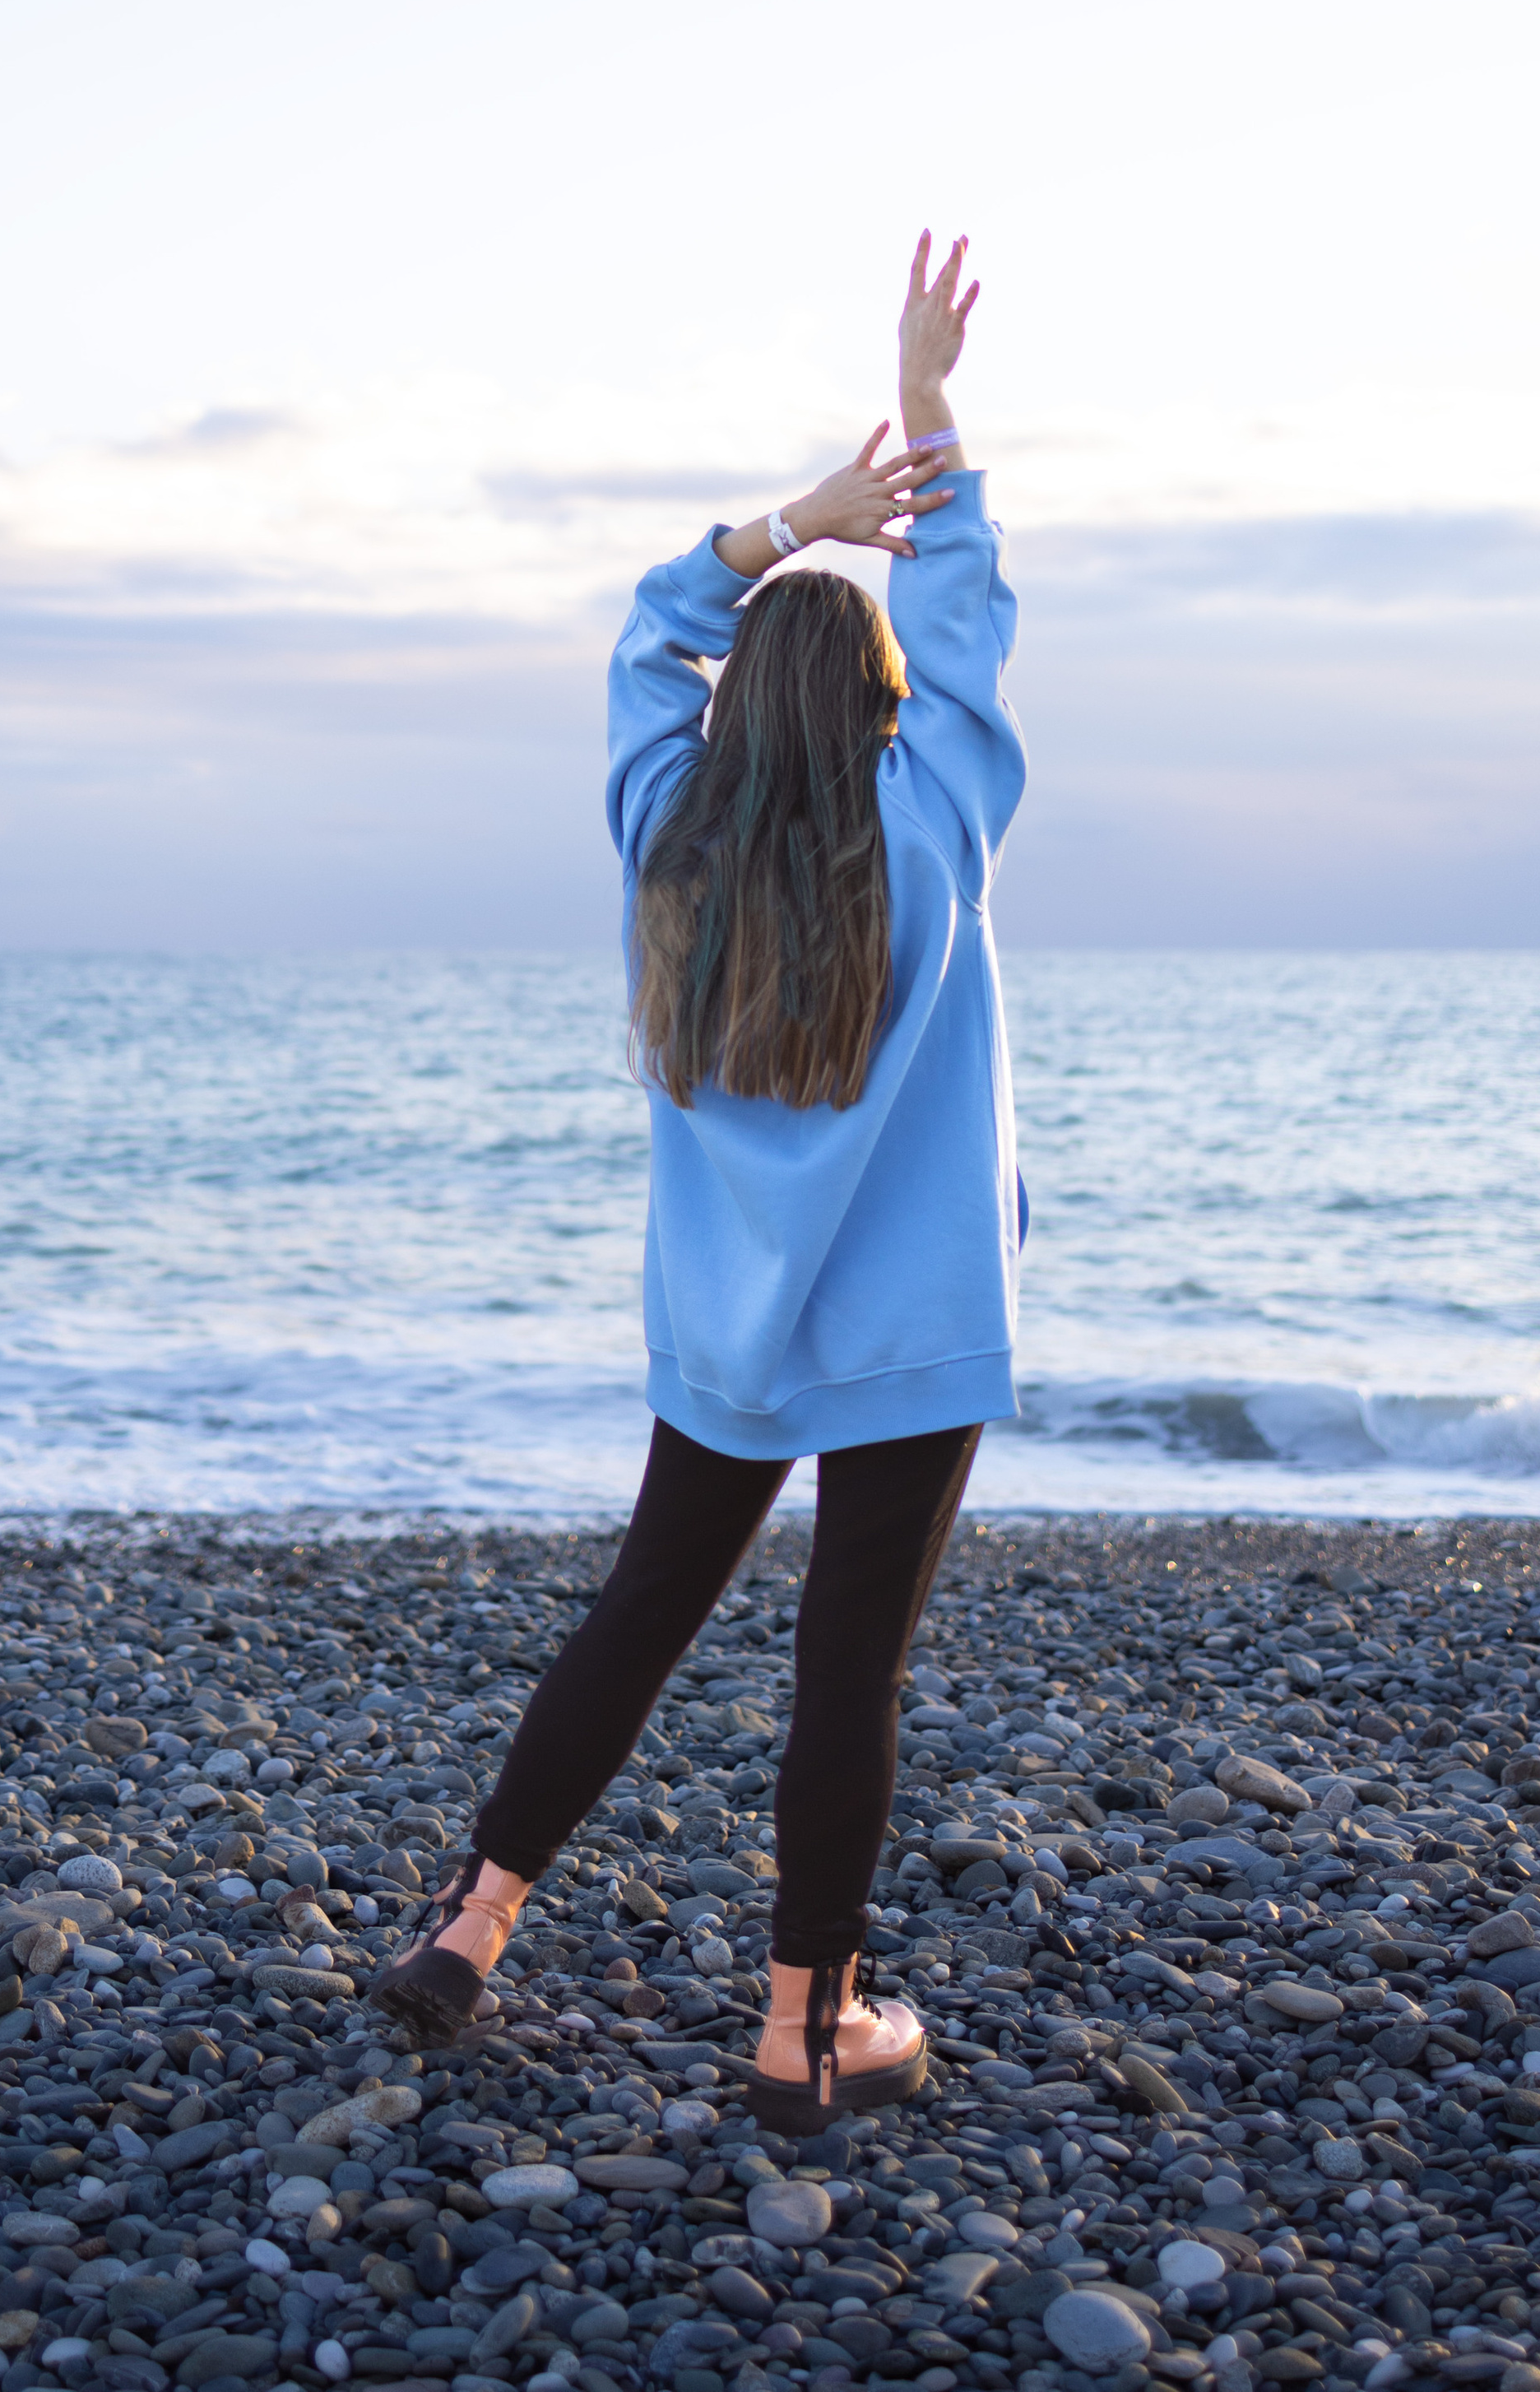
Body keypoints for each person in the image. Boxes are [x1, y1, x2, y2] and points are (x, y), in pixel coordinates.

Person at [371, 231, 1026, 2131]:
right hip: (907, 1335)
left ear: (731, 708)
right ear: (892, 711)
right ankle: (798, 2031)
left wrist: (788, 522)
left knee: (643, 1609)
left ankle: (473, 1928)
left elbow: (640, 626)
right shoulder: (935, 821)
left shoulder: (665, 836)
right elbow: (974, 611)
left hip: (725, 1334)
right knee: (846, 1673)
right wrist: (928, 418)